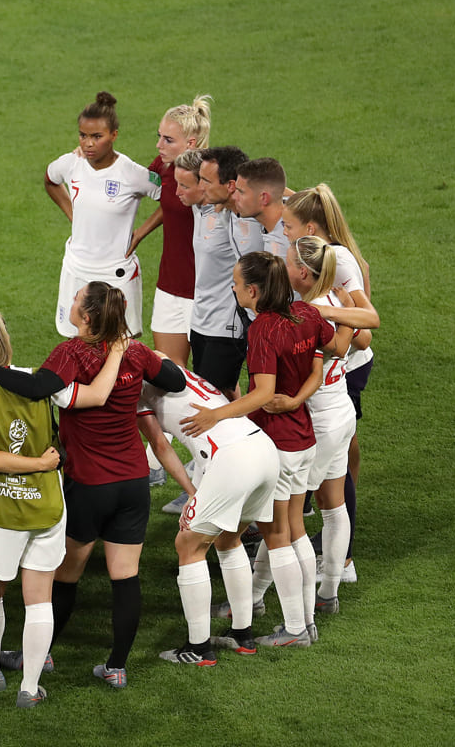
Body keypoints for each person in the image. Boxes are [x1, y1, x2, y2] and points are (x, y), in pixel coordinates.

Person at [0, 284, 187, 689]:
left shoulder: (71, 353)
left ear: (87, 317)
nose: (69, 302)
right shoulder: (133, 352)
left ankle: (41, 654)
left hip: (90, 483)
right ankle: (117, 666)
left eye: (76, 300)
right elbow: (174, 381)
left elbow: (35, 388)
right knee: (126, 576)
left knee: (65, 576)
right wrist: (152, 357)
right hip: (134, 481)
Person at [0, 309, 127, 707]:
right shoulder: (42, 380)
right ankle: (30, 688)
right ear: (6, 340)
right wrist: (118, 355)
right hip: (47, 505)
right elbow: (95, 396)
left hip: (0, 510)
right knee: (39, 598)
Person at [181, 252, 344, 647]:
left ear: (252, 291)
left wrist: (216, 415)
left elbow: (264, 393)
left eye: (237, 283)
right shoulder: (306, 313)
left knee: (277, 535)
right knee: (296, 530)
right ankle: (305, 622)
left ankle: (293, 630)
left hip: (281, 443)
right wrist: (298, 398)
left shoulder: (264, 331)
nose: (234, 288)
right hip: (304, 436)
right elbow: (333, 350)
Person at [137, 357, 278, 665]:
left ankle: (198, 647)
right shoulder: (166, 362)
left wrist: (191, 491)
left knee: (188, 544)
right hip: (263, 450)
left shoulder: (133, 386)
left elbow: (161, 446)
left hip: (231, 459)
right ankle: (243, 635)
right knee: (229, 540)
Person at [283, 184, 379, 585]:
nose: (284, 237)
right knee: (333, 503)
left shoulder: (313, 309)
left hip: (319, 418)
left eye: (289, 230)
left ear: (304, 271)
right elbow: (351, 338)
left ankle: (296, 610)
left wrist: (315, 312)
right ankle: (331, 587)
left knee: (286, 518)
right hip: (337, 410)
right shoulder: (335, 300)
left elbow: (354, 339)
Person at [44, 92, 161, 339]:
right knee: (76, 344)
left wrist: (140, 233)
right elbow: (50, 180)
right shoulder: (71, 163)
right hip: (77, 268)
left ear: (114, 135)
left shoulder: (132, 173)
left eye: (97, 136)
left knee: (120, 347)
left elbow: (170, 200)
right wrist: (72, 214)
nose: (88, 143)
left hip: (115, 273)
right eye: (83, 136)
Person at [127, 96, 213, 367]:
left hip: (207, 291)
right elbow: (171, 202)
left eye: (168, 140)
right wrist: (141, 231)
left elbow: (253, 193)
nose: (159, 145)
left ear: (191, 143)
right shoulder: (165, 166)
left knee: (217, 382)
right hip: (170, 287)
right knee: (172, 373)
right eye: (159, 136)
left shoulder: (214, 173)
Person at [189, 147, 263, 396]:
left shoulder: (259, 219)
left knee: (216, 395)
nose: (200, 187)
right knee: (222, 392)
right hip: (247, 320)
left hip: (252, 322)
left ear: (230, 185)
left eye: (206, 181)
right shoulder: (228, 212)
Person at [232, 157, 290, 258]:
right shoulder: (273, 228)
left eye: (241, 192)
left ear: (264, 198)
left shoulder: (287, 243)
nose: (234, 197)